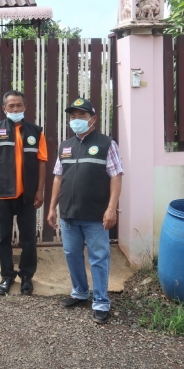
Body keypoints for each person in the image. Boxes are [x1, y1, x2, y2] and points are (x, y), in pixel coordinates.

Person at [46, 97, 123, 324]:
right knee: (72, 254)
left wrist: (111, 209)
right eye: (73, 116)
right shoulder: (65, 146)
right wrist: (52, 208)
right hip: (69, 214)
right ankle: (80, 292)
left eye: (82, 115)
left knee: (99, 257)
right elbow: (58, 178)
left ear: (93, 119)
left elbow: (116, 176)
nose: (76, 120)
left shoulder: (107, 144)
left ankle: (101, 301)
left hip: (96, 215)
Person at [0, 90, 47, 297]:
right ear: (4, 108)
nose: (15, 109)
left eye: (19, 105)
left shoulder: (36, 132)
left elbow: (42, 162)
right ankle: (7, 276)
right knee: (3, 238)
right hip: (2, 196)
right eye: (11, 106)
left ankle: (26, 276)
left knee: (28, 239)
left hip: (27, 197)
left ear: (25, 107)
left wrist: (39, 191)